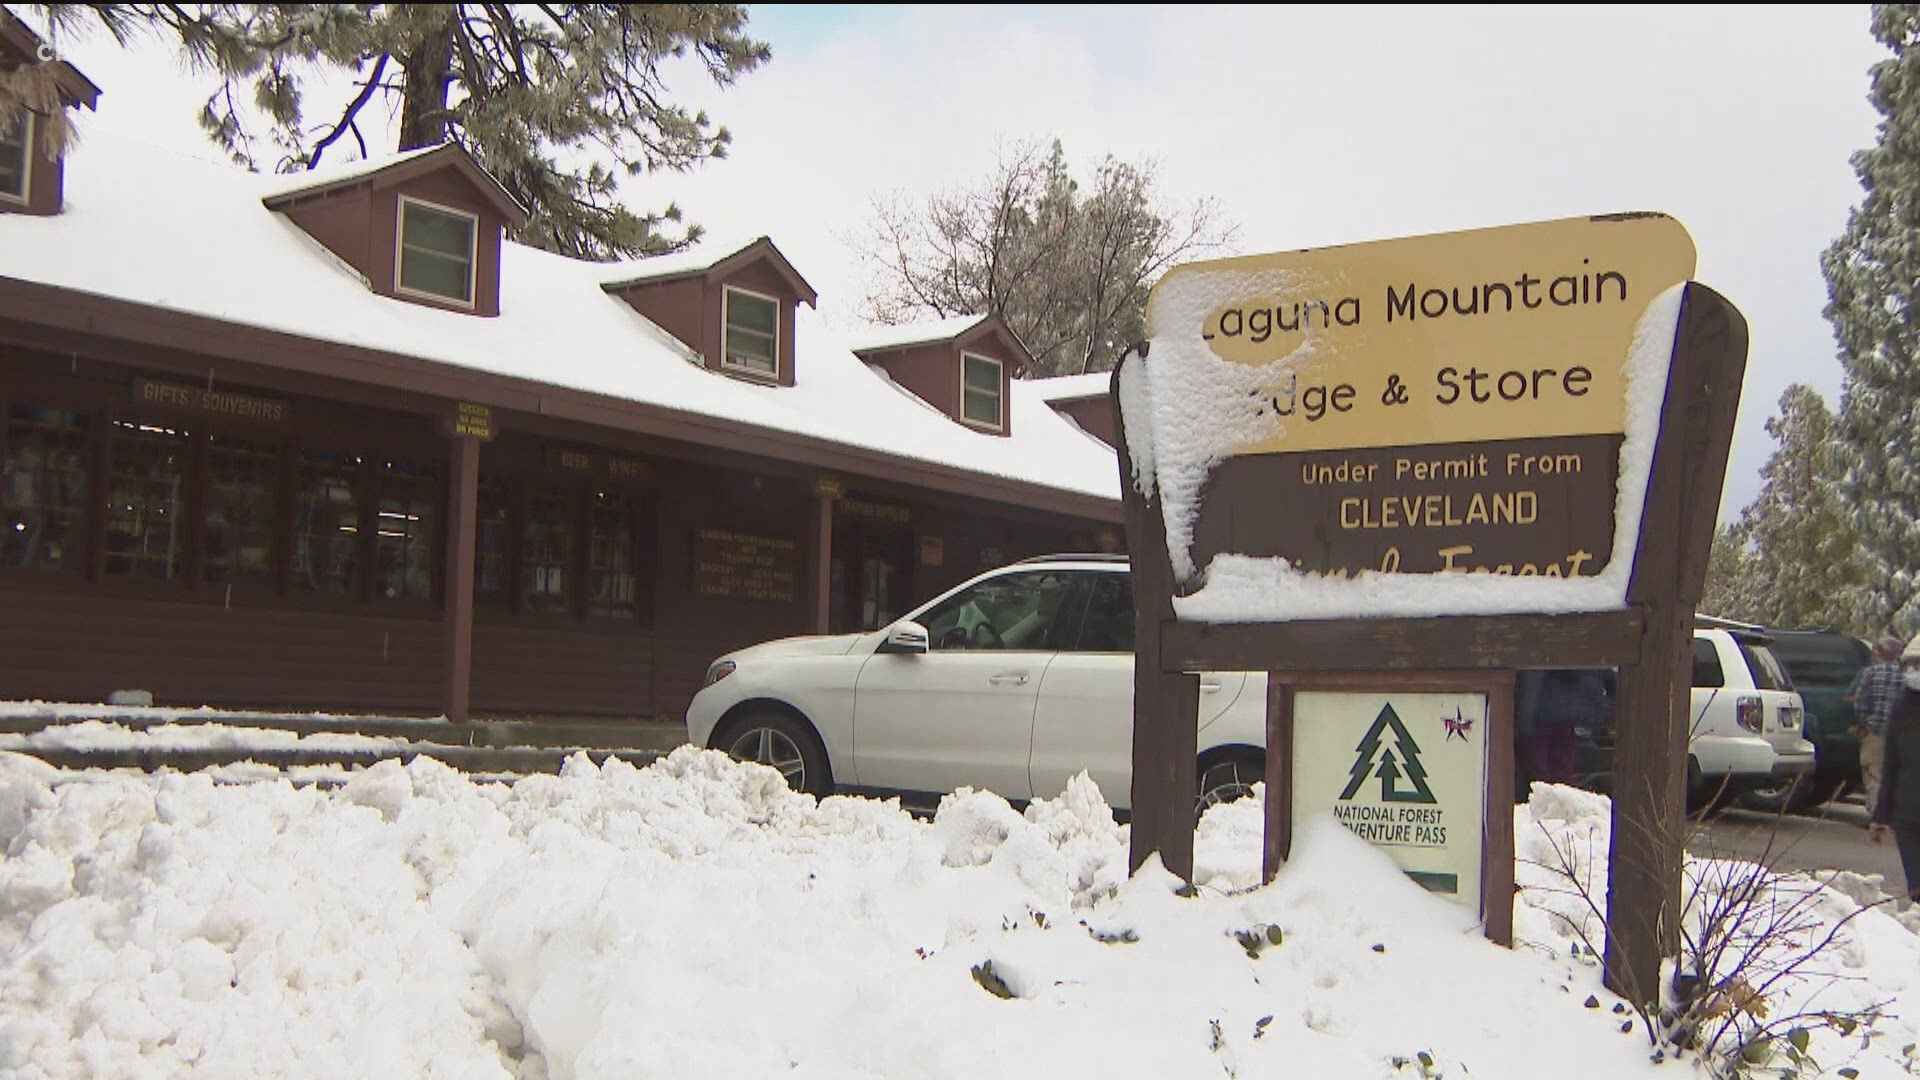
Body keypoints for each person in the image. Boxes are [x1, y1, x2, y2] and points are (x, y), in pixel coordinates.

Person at [1867, 648, 1920, 901]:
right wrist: (1881, 815)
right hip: (1908, 814)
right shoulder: (1903, 707)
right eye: (1910, 666)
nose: (1913, 672)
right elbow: (1891, 764)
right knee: (1917, 890)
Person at [1847, 635, 1906, 812]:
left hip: (1875, 731)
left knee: (1874, 772)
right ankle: (1894, 813)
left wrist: (1863, 723)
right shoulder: (1906, 677)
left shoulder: (1870, 673)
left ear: (1880, 653)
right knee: (1896, 774)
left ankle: (1877, 813)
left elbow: (1859, 702)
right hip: (1901, 733)